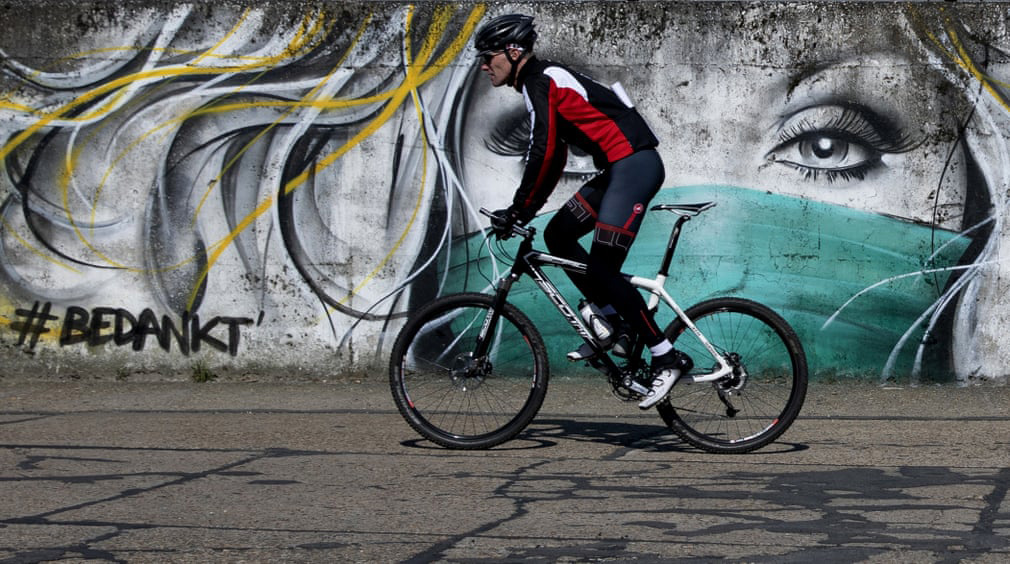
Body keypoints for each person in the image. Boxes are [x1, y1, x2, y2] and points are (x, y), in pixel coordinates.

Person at [474, 13, 692, 408]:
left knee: (604, 267)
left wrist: (519, 208)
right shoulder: (540, 82)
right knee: (558, 235)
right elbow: (555, 156)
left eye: (488, 57)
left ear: (513, 51)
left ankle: (666, 356)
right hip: (619, 168)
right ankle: (613, 322)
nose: (484, 66)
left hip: (634, 165)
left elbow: (542, 151)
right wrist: (526, 211)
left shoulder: (540, 80)